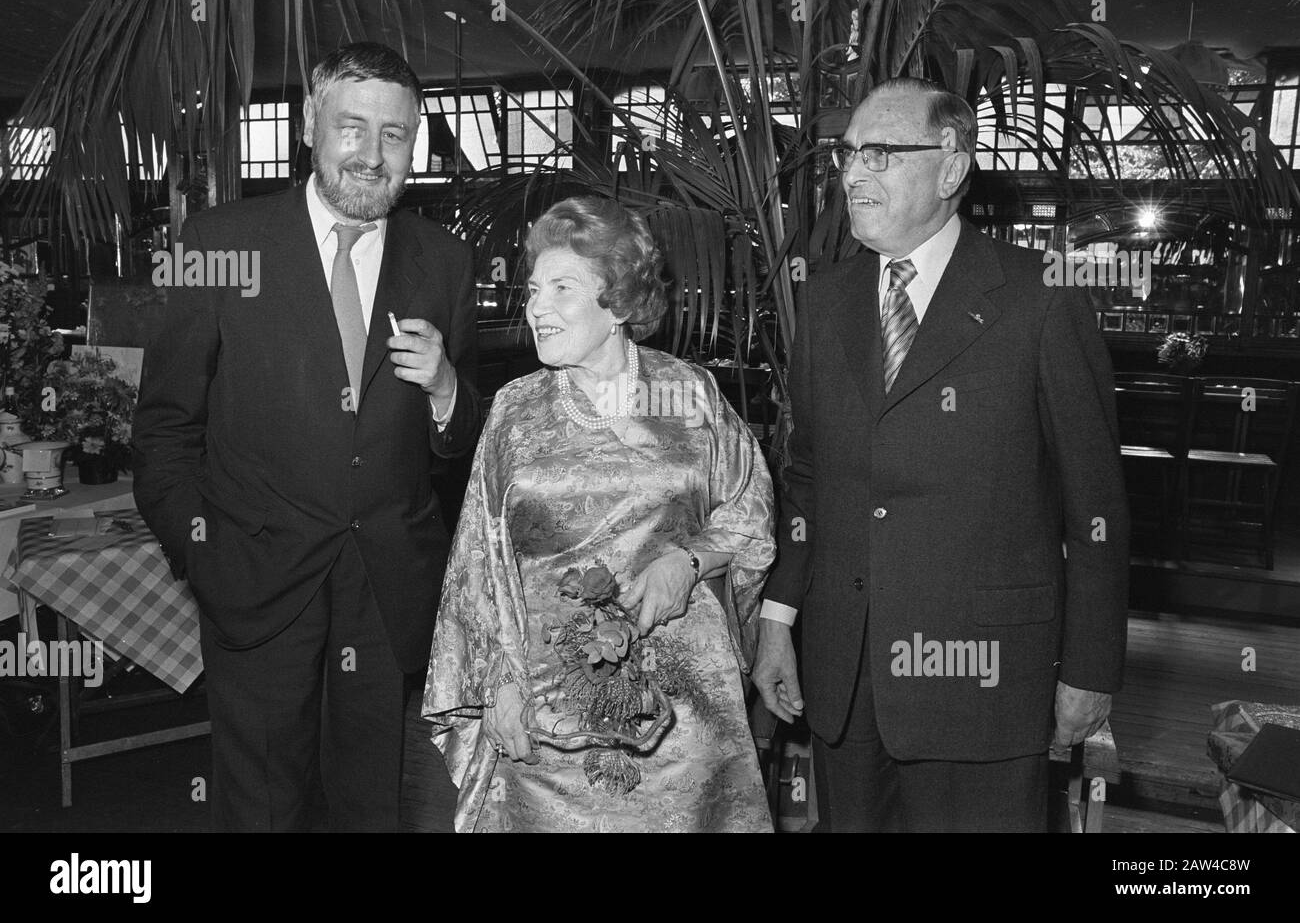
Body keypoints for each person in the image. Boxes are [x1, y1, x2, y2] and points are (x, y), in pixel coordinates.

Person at [753, 77, 1129, 832]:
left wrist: (1089, 671)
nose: (853, 174)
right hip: (848, 681)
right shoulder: (825, 302)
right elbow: (807, 478)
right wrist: (777, 618)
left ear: (952, 168)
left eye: (881, 154)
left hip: (985, 688)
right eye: (848, 154)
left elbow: (1098, 507)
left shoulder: (1040, 298)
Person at [133, 42, 483, 831]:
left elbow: (459, 451)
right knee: (261, 811)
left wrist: (450, 391)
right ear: (307, 126)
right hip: (253, 581)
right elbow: (162, 430)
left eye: (394, 135)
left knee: (369, 810)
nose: (372, 154)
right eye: (352, 128)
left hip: (385, 592)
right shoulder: (219, 246)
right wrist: (201, 553)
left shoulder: (446, 261)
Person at [423, 196, 775, 832]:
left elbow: (749, 513)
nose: (535, 307)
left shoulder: (688, 393)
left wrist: (689, 560)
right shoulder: (513, 410)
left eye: (562, 287)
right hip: (547, 709)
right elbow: (477, 563)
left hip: (684, 711)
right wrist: (498, 687)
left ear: (617, 300)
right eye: (533, 290)